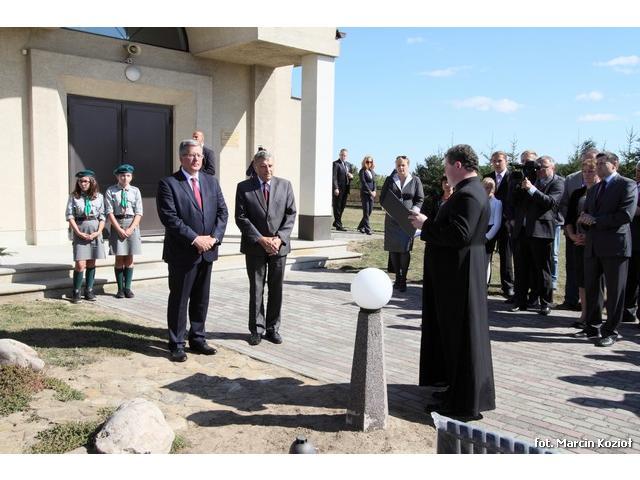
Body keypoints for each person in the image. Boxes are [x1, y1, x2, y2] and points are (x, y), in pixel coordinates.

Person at [409, 144, 495, 420]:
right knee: (454, 336)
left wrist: (425, 225)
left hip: (461, 276)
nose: (444, 172)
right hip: (459, 273)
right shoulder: (469, 191)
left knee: (461, 337)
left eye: (446, 166)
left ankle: (462, 402)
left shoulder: (469, 194)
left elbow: (460, 234)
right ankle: (455, 389)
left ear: (458, 165)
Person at [157, 139, 228, 362]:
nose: (196, 159)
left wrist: (214, 238)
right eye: (191, 155)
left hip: (207, 251)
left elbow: (222, 212)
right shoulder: (169, 183)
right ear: (181, 158)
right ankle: (177, 343)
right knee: (180, 299)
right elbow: (169, 217)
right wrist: (195, 239)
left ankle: (197, 338)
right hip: (183, 252)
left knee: (201, 298)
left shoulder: (211, 182)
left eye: (199, 155)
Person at [575, 152, 638, 347]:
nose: (599, 166)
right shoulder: (595, 188)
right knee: (593, 289)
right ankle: (592, 326)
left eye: (603, 163)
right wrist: (584, 222)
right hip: (593, 245)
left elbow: (625, 215)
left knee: (615, 290)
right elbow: (588, 213)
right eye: (598, 163)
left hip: (615, 246)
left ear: (615, 164)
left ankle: (610, 331)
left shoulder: (626, 184)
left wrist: (595, 221)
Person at [235, 149, 297, 346]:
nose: (267, 169)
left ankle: (272, 328)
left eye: (270, 166)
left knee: (276, 288)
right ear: (255, 166)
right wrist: (261, 239)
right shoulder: (244, 187)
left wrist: (279, 238)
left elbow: (291, 214)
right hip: (255, 246)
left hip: (279, 247)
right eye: (263, 166)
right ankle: (256, 329)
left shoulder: (285, 185)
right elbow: (241, 217)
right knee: (257, 288)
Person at [510, 155, 564, 316]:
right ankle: (520, 301)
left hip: (541, 232)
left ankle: (545, 302)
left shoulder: (557, 182)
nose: (539, 170)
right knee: (521, 268)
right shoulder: (529, 180)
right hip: (522, 230)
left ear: (552, 167)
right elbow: (514, 201)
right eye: (538, 167)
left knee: (542, 269)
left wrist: (531, 189)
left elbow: (550, 202)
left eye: (544, 167)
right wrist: (517, 185)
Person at [559, 148, 599, 311]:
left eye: (591, 170)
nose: (587, 174)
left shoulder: (603, 190)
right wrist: (572, 234)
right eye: (584, 170)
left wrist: (588, 236)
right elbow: (567, 210)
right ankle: (575, 304)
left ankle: (593, 311)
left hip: (595, 240)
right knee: (576, 271)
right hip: (575, 237)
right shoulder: (574, 185)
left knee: (594, 276)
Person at [380, 155, 424, 292]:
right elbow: (382, 198)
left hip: (408, 219)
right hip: (392, 219)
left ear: (408, 166)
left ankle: (403, 279)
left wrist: (415, 211)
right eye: (398, 165)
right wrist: (388, 208)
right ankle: (397, 278)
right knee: (393, 249)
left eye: (403, 165)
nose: (400, 167)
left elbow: (420, 198)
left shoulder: (415, 180)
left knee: (405, 249)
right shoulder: (390, 179)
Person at [65, 170, 106, 303]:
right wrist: (77, 232)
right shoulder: (74, 196)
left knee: (91, 262)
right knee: (80, 263)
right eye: (80, 181)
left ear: (91, 182)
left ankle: (89, 290)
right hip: (80, 229)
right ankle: (76, 291)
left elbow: (102, 216)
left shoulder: (99, 197)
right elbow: (70, 215)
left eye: (85, 181)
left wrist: (98, 232)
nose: (83, 184)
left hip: (94, 229)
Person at [105, 164, 143, 299]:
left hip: (131, 223)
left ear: (131, 177)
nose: (125, 178)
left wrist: (131, 228)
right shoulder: (111, 191)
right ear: (117, 176)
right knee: (119, 257)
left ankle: (128, 288)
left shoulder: (135, 191)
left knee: (130, 257)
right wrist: (118, 229)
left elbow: (139, 212)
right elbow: (109, 212)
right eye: (122, 175)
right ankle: (120, 289)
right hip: (117, 223)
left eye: (128, 175)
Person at [485, 151, 515, 298]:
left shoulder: (512, 178)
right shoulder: (488, 177)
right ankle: (484, 284)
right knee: (486, 254)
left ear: (506, 161)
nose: (497, 163)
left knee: (506, 255)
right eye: (494, 161)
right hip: (489, 222)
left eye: (500, 161)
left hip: (506, 223)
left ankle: (508, 286)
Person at [623, 161, 640, 324]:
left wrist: (632, 208)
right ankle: (628, 311)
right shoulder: (632, 186)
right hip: (630, 239)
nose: (638, 173)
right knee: (630, 277)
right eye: (637, 170)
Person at [483, 177, 502, 285]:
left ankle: (484, 285)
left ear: (494, 188)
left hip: (489, 232)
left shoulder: (497, 203)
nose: (488, 189)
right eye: (485, 187)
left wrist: (487, 237)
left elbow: (497, 223)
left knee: (486, 261)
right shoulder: (479, 201)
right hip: (478, 232)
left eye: (490, 187)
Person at [332, 148, 353, 231]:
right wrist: (336, 188)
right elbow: (334, 177)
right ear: (339, 155)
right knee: (337, 206)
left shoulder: (349, 165)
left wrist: (351, 177)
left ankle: (336, 221)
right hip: (338, 189)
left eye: (345, 155)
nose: (343, 156)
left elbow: (350, 176)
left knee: (342, 207)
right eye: (342, 155)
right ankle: (338, 225)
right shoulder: (336, 164)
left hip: (346, 189)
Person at [357, 155, 376, 235]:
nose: (369, 163)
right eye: (367, 162)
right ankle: (367, 229)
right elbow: (363, 182)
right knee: (366, 212)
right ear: (364, 162)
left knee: (369, 211)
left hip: (371, 195)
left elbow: (374, 182)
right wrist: (370, 191)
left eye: (370, 162)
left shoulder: (372, 171)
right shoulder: (362, 171)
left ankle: (361, 226)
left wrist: (374, 191)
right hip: (365, 194)